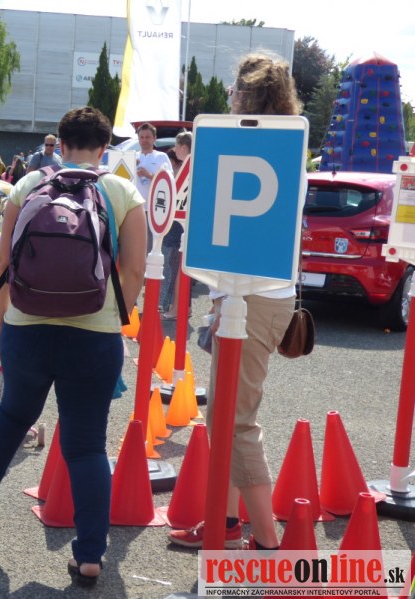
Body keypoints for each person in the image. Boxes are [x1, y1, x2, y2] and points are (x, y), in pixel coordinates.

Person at [0, 107, 147, 588]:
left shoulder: (27, 186)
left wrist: (0, 321)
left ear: (60, 145)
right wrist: (115, 318)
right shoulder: (123, 192)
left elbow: (3, 263)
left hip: (27, 327)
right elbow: (134, 270)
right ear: (104, 148)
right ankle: (89, 556)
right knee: (86, 446)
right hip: (94, 336)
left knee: (11, 416)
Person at [168, 53, 302, 551]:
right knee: (225, 416)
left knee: (236, 422)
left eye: (233, 92)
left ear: (248, 96)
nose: (229, 99)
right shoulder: (288, 147)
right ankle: (224, 522)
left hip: (253, 302)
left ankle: (266, 540)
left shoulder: (260, 147)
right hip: (253, 298)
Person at [159, 130, 192, 320]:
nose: (174, 150)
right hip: (184, 222)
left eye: (177, 146)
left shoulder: (187, 168)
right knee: (181, 267)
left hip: (180, 224)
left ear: (183, 147)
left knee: (177, 266)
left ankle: (177, 308)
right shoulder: (196, 165)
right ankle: (183, 307)